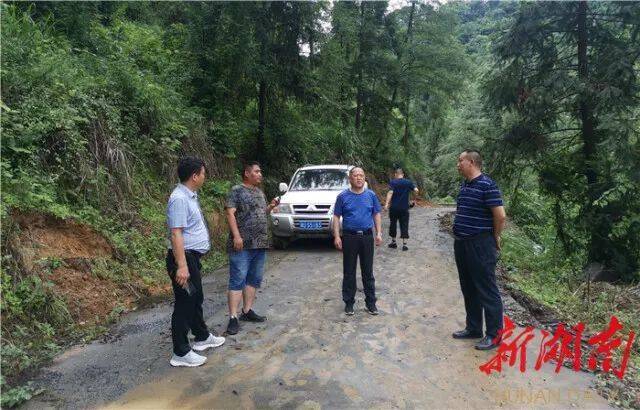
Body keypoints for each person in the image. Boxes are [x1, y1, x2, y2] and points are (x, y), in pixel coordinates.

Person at [166, 156, 225, 367]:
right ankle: (180, 352)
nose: (204, 177)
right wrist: (181, 266)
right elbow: (176, 234)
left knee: (195, 297)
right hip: (183, 259)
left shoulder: (190, 195)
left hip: (191, 257)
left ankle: (201, 336)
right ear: (194, 176)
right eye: (203, 173)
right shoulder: (179, 199)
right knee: (185, 303)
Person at [451, 150, 507, 350]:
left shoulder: (488, 185)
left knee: (486, 288)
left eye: (460, 161)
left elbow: (500, 216)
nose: (458, 164)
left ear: (471, 162)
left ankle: (495, 335)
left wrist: (495, 236)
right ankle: (474, 327)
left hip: (481, 244)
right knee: (469, 287)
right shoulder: (465, 185)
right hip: (462, 243)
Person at [224, 161, 280, 335]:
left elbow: (260, 213)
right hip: (242, 244)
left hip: (260, 243)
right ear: (247, 173)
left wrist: (270, 207)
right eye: (257, 171)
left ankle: (246, 311)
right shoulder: (236, 191)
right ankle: (233, 317)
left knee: (254, 279)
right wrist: (237, 236)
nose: (260, 174)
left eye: (260, 171)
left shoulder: (259, 192)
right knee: (237, 278)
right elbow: (230, 213)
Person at [332, 167, 383, 316]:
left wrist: (378, 233)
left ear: (364, 178)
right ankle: (349, 303)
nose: (359, 178)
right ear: (350, 178)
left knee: (368, 271)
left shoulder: (371, 195)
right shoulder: (343, 197)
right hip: (349, 237)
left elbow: (376, 214)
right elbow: (336, 217)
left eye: (361, 175)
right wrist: (336, 236)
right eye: (355, 175)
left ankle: (371, 303)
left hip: (367, 236)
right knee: (349, 271)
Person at [383, 168, 419, 251]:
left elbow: (390, 192)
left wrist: (386, 204)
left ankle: (394, 242)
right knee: (404, 224)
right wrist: (414, 200)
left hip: (394, 208)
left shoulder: (393, 182)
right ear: (402, 175)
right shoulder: (408, 182)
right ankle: (404, 245)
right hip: (404, 208)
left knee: (393, 224)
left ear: (395, 174)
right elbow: (416, 190)